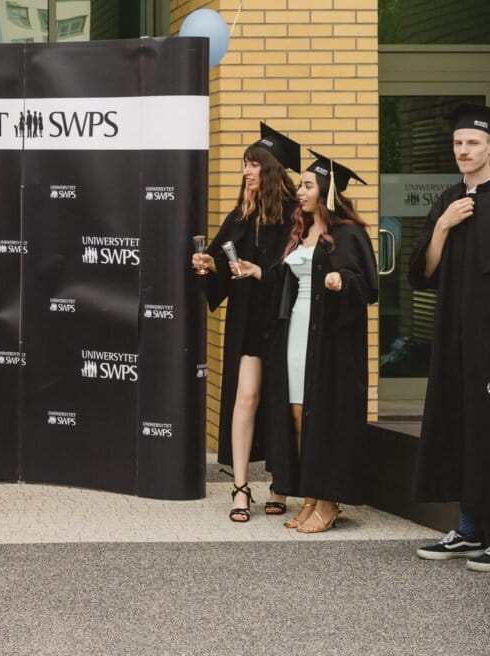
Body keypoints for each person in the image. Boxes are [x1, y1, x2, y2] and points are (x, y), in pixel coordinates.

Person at [235, 150, 378, 534]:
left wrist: (341, 282)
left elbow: (366, 284)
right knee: (299, 415)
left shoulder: (347, 233)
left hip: (329, 338)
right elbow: (287, 281)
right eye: (301, 184)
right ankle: (312, 495)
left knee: (324, 414)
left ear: (327, 192)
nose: (300, 191)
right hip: (296, 331)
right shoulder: (303, 230)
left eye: (308, 185)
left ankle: (329, 501)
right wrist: (257, 272)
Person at [190, 123, 300, 523]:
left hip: (285, 321)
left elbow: (299, 272)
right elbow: (221, 265)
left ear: (271, 171)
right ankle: (240, 486)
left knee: (282, 402)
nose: (246, 172)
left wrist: (260, 273)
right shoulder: (239, 216)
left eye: (253, 165)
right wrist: (206, 266)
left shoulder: (294, 216)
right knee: (246, 397)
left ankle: (281, 484)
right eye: (244, 165)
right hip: (249, 321)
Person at [410, 103, 490, 571]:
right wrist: (443, 225)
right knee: (462, 428)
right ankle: (468, 529)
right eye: (458, 143)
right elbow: (424, 272)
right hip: (454, 341)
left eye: (473, 143)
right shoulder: (447, 199)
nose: (464, 150)